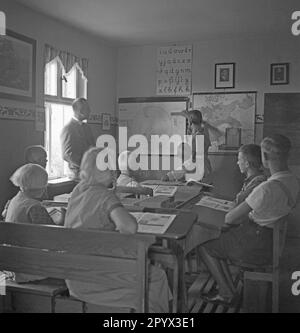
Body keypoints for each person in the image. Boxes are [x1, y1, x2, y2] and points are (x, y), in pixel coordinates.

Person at [64, 147, 171, 312]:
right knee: (157, 277)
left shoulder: (77, 191)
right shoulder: (104, 196)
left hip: (75, 277)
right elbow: (129, 227)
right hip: (99, 279)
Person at [198, 134, 300, 304]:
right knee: (218, 240)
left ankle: (226, 292)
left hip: (256, 246)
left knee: (204, 244)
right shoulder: (293, 181)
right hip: (271, 243)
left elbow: (230, 218)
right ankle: (228, 288)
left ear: (265, 158)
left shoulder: (266, 188)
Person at [4, 164, 55, 283]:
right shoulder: (34, 207)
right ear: (42, 186)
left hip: (11, 264)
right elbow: (53, 238)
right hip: (27, 268)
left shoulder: (14, 200)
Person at [180, 110, 222, 182]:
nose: (188, 125)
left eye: (188, 122)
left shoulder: (197, 137)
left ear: (190, 122)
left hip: (199, 170)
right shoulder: (204, 132)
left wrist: (181, 172)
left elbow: (194, 157)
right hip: (205, 168)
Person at [60, 98, 95, 180]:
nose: (90, 111)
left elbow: (93, 147)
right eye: (88, 109)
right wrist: (85, 165)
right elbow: (67, 154)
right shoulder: (68, 128)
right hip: (77, 175)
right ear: (81, 111)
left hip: (89, 172)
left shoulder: (87, 127)